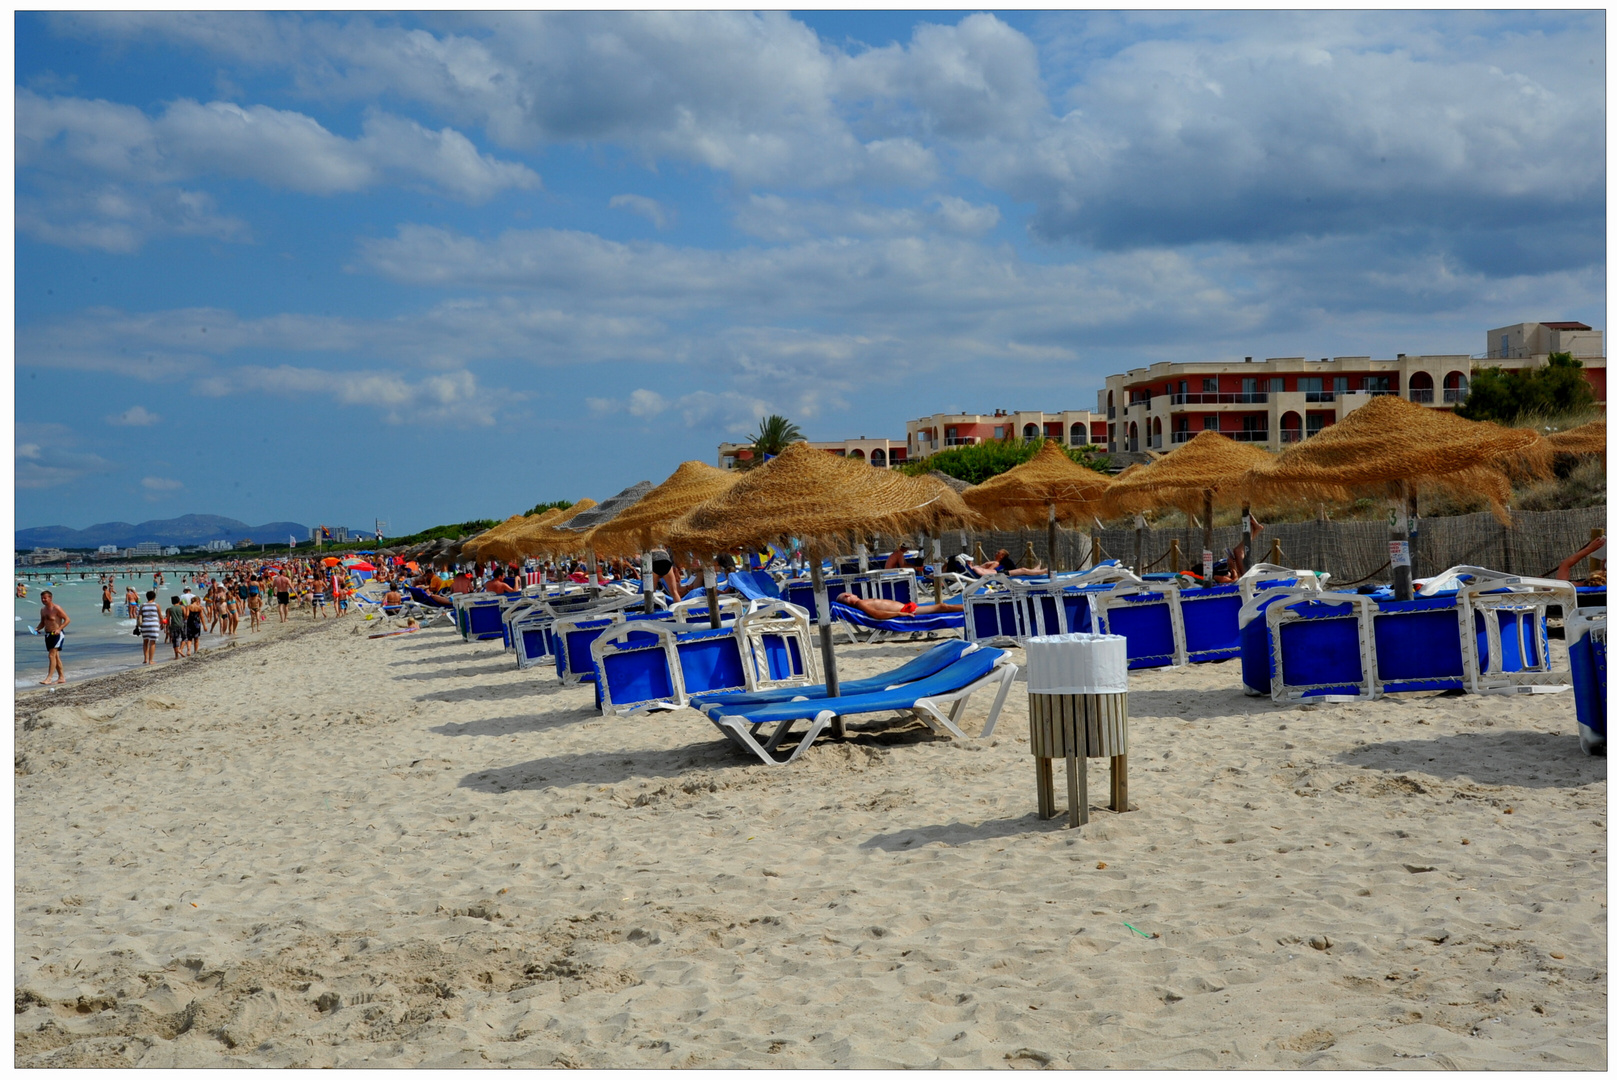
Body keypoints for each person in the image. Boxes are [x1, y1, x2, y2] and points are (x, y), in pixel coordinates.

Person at [835, 591, 962, 619]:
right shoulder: (861, 603)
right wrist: (899, 613)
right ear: (847, 596)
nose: (853, 594)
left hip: (907, 608)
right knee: (943, 607)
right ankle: (970, 607)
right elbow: (876, 614)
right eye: (850, 593)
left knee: (942, 607)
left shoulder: (860, 603)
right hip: (908, 610)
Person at [35, 590, 70, 684]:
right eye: (42, 598)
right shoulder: (42, 610)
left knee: (51, 655)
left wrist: (59, 629)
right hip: (48, 635)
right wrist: (37, 628)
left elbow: (67, 620)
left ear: (50, 598)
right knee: (56, 657)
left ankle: (49, 678)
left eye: (45, 598)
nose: (43, 600)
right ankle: (61, 678)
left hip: (57, 635)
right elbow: (43, 623)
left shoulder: (56, 608)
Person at [137, 590, 163, 665]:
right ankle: (151, 660)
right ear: (154, 597)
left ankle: (145, 659)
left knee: (145, 642)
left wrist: (137, 625)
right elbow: (160, 616)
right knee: (152, 642)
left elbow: (139, 616)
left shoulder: (143, 605)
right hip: (154, 625)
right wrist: (162, 624)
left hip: (145, 625)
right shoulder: (156, 605)